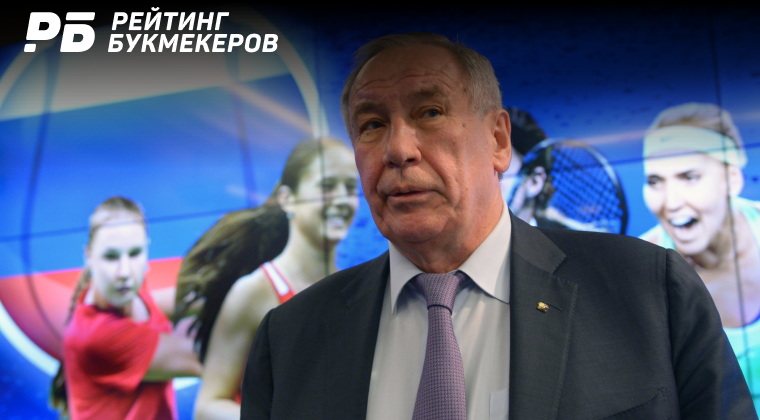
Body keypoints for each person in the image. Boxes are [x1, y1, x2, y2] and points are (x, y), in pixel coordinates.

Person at [241, 33, 755, 419]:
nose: (398, 149)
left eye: (430, 112)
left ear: (498, 140)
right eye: (372, 124)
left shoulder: (648, 290)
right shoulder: (289, 340)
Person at [173, 138, 359, 419]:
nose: (342, 199)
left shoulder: (355, 290)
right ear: (287, 198)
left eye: (351, 188)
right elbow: (207, 407)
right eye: (327, 186)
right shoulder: (254, 292)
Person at [639, 102, 760, 409]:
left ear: (732, 179)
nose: (671, 202)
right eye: (655, 181)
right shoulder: (638, 268)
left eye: (689, 177)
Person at [50, 196, 201, 420]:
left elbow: (157, 305)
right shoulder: (97, 336)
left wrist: (220, 291)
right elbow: (202, 360)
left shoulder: (124, 291)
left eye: (135, 253)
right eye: (111, 257)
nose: (125, 271)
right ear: (88, 256)